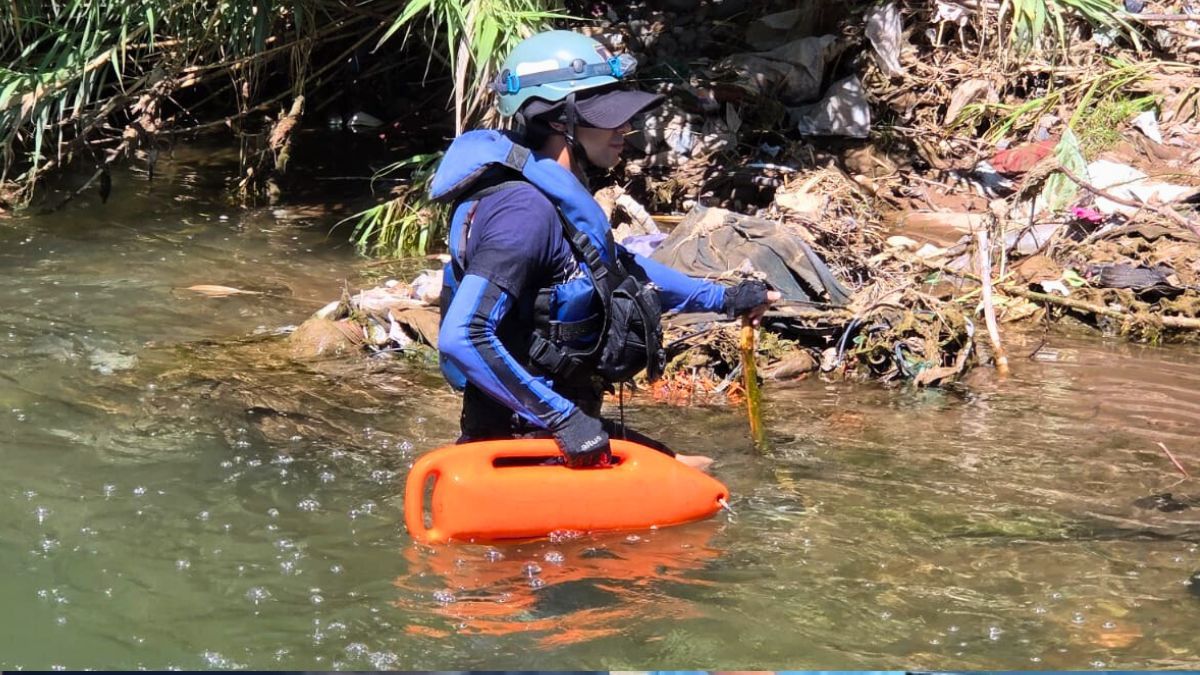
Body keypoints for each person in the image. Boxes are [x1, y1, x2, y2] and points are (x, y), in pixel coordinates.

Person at [432, 30, 778, 469]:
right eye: (607, 117)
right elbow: (463, 335)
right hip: (522, 443)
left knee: (699, 468)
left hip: (554, 430)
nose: (624, 131)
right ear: (559, 122)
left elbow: (614, 269)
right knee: (701, 487)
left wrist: (725, 299)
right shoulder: (523, 213)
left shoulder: (554, 199)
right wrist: (565, 421)